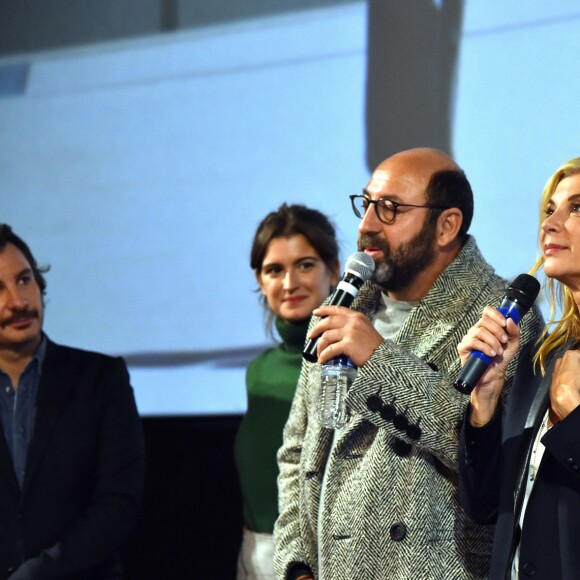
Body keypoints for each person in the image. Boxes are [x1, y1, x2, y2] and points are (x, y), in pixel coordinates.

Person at [273, 148, 544, 580]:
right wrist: (297, 562)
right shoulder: (343, 305)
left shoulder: (503, 316)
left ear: (446, 226)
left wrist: (378, 358)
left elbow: (485, 456)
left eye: (390, 210)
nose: (366, 226)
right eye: (366, 205)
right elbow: (297, 452)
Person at [457, 157, 580, 579]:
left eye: (577, 208)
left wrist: (574, 413)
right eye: (550, 209)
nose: (551, 224)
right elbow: (487, 505)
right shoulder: (544, 355)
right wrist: (485, 400)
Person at [0, 224, 145, 580]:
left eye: (24, 280)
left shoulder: (100, 378)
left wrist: (42, 571)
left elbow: (118, 501)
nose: (19, 301)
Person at [234, 204, 340, 579]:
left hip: (327, 559)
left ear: (335, 270)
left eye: (305, 264)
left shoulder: (354, 361)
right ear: (260, 281)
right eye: (274, 270)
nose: (290, 282)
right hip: (257, 557)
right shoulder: (259, 371)